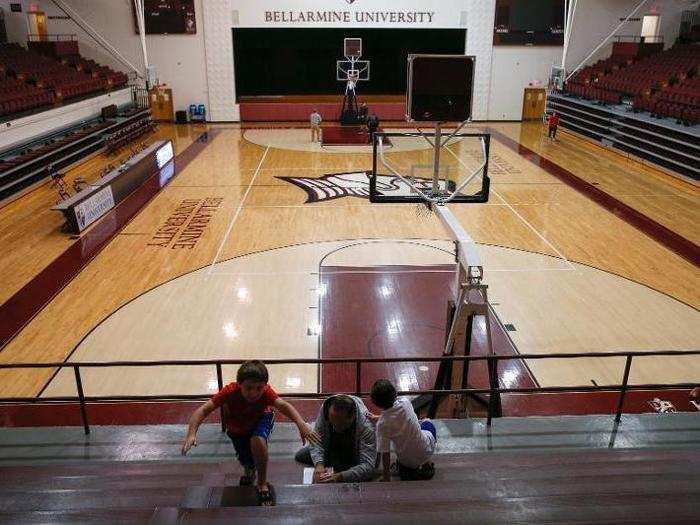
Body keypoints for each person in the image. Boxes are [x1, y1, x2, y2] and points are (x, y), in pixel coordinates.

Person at [181, 360, 320, 506]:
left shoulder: (266, 392)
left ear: (265, 386)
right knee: (246, 457)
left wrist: (301, 423)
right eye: (248, 388)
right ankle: (249, 470)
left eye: (259, 388)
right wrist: (191, 433)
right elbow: (203, 410)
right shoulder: (229, 391)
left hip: (262, 419)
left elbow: (283, 405)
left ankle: (262, 483)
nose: (254, 393)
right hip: (237, 426)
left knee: (257, 440)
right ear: (239, 384)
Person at [294, 394, 376, 483]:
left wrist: (340, 476)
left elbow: (368, 466)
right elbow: (316, 437)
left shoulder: (366, 427)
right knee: (301, 456)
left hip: (355, 451)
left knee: (362, 472)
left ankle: (341, 463)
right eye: (331, 422)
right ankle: (338, 461)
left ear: (352, 417)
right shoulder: (327, 406)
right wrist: (319, 464)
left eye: (339, 424)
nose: (334, 427)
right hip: (333, 445)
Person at [371, 379, 436, 482]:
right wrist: (380, 417)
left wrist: (386, 476)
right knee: (427, 422)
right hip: (426, 450)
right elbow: (396, 415)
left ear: (376, 403)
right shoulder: (405, 402)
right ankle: (426, 462)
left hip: (406, 462)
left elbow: (385, 453)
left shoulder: (382, 425)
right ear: (395, 393)